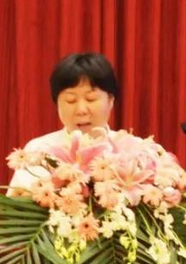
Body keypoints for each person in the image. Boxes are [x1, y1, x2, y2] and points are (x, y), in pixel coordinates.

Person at [8, 52, 119, 192]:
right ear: (57, 104)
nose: (81, 110)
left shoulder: (132, 151)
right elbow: (18, 201)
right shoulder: (38, 151)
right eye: (70, 100)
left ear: (110, 100)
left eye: (90, 99)